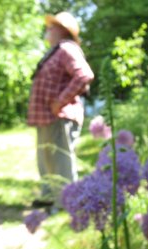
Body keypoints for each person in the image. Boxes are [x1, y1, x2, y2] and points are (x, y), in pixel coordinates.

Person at [27, 12, 94, 207]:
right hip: (47, 118)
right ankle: (50, 197)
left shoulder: (66, 48)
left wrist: (60, 101)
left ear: (62, 30)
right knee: (46, 160)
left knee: (60, 161)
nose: (48, 30)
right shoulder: (55, 51)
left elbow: (84, 75)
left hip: (59, 116)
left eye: (51, 27)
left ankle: (67, 203)